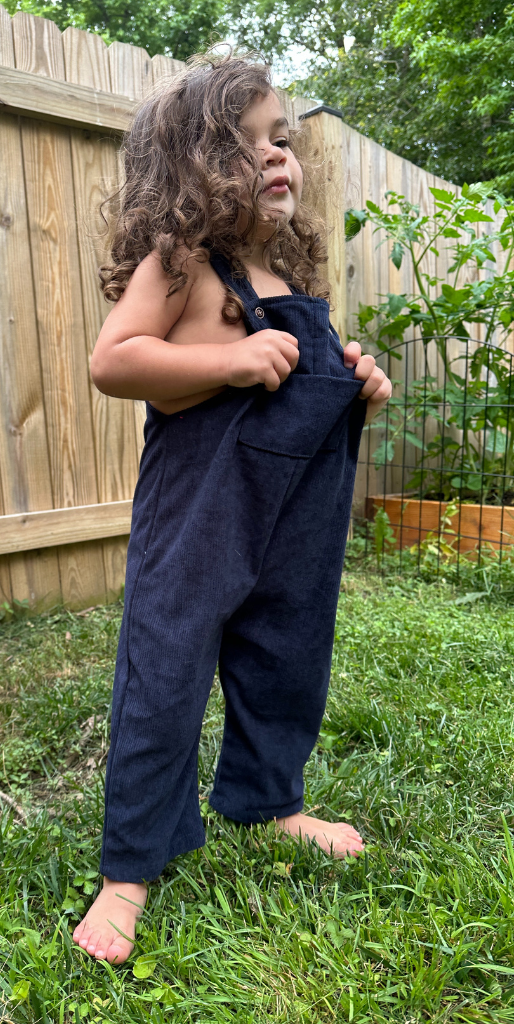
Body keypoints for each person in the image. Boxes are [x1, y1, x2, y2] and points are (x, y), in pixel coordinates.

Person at [72, 51, 392, 966]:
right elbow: (115, 360)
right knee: (166, 668)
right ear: (197, 165)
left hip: (295, 520)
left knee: (287, 657)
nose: (278, 156)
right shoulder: (183, 268)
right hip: (201, 513)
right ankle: (130, 868)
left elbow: (314, 387)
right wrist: (228, 361)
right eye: (249, 142)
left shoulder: (301, 292)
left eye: (283, 140)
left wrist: (358, 379)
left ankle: (267, 798)